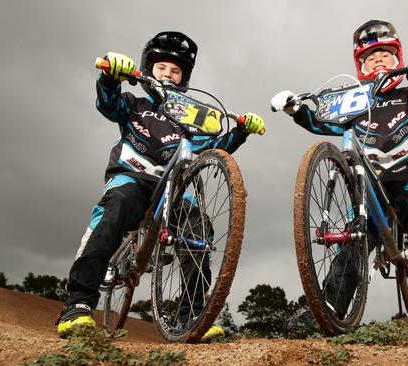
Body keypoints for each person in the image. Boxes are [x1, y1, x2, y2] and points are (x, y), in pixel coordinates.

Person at [271, 20, 408, 326]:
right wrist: (296, 110)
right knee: (354, 240)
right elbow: (321, 123)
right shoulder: (353, 102)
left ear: (398, 58)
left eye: (385, 53)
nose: (378, 59)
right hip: (368, 184)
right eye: (370, 57)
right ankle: (328, 308)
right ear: (360, 66)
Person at [56, 31, 265, 338]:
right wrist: (112, 78)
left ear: (184, 79)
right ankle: (78, 304)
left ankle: (192, 316)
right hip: (132, 178)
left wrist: (242, 131)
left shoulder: (191, 118)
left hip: (172, 189)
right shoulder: (134, 104)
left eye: (175, 70)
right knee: (117, 207)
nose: (168, 74)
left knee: (198, 227)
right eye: (161, 68)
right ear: (147, 69)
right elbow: (108, 104)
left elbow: (214, 149)